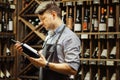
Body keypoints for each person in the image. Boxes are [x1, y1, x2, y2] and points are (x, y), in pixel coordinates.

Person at [14, 1, 80, 80]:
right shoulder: (49, 36)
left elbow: (73, 69)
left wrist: (46, 64)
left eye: (43, 19)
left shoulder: (69, 37)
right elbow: (41, 65)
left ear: (53, 15)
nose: (41, 23)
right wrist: (27, 54)